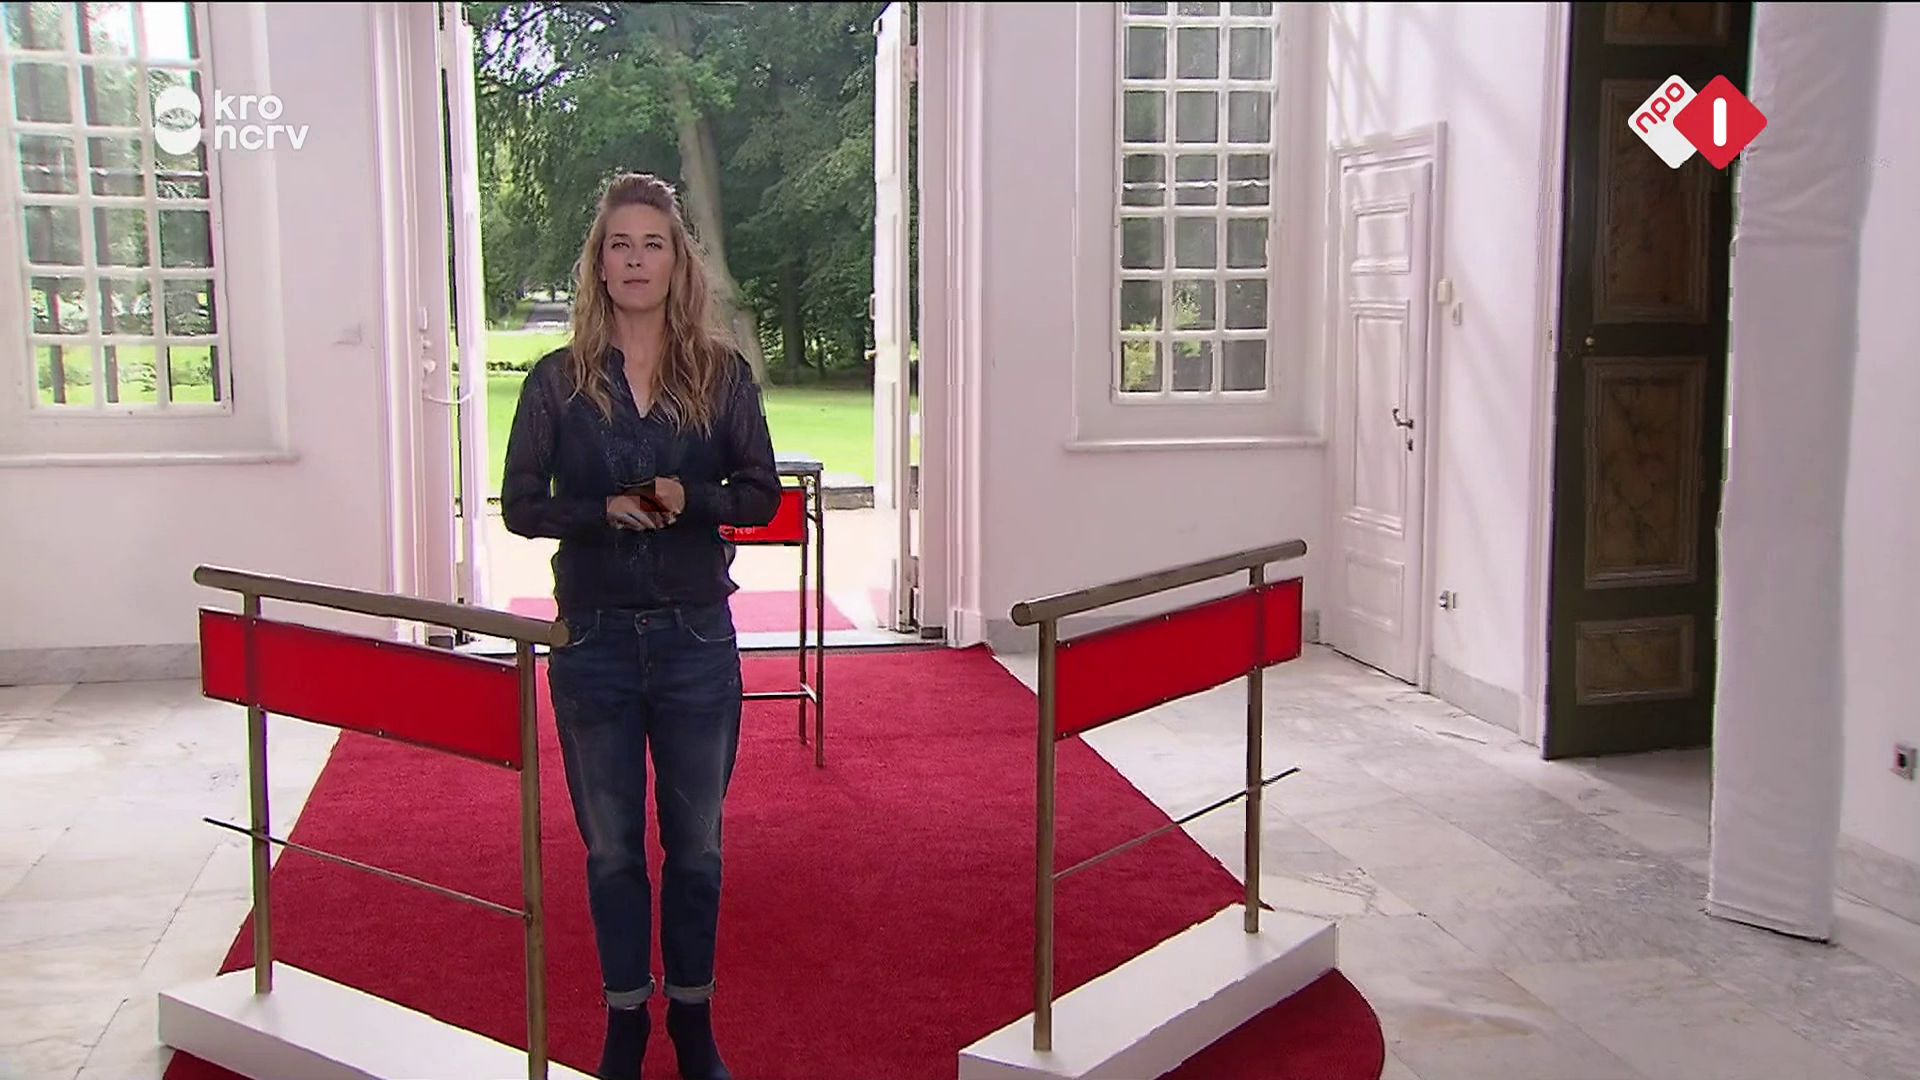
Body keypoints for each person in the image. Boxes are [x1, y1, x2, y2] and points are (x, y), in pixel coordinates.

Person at [500, 172, 780, 1080]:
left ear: (676, 262)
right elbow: (519, 504)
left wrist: (688, 497)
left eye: (652, 244)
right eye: (619, 244)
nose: (635, 260)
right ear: (598, 263)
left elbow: (761, 494)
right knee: (613, 849)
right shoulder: (557, 382)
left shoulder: (721, 375)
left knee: (696, 848)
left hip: (696, 640)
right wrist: (599, 512)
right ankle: (625, 1019)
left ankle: (693, 1019)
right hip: (593, 644)